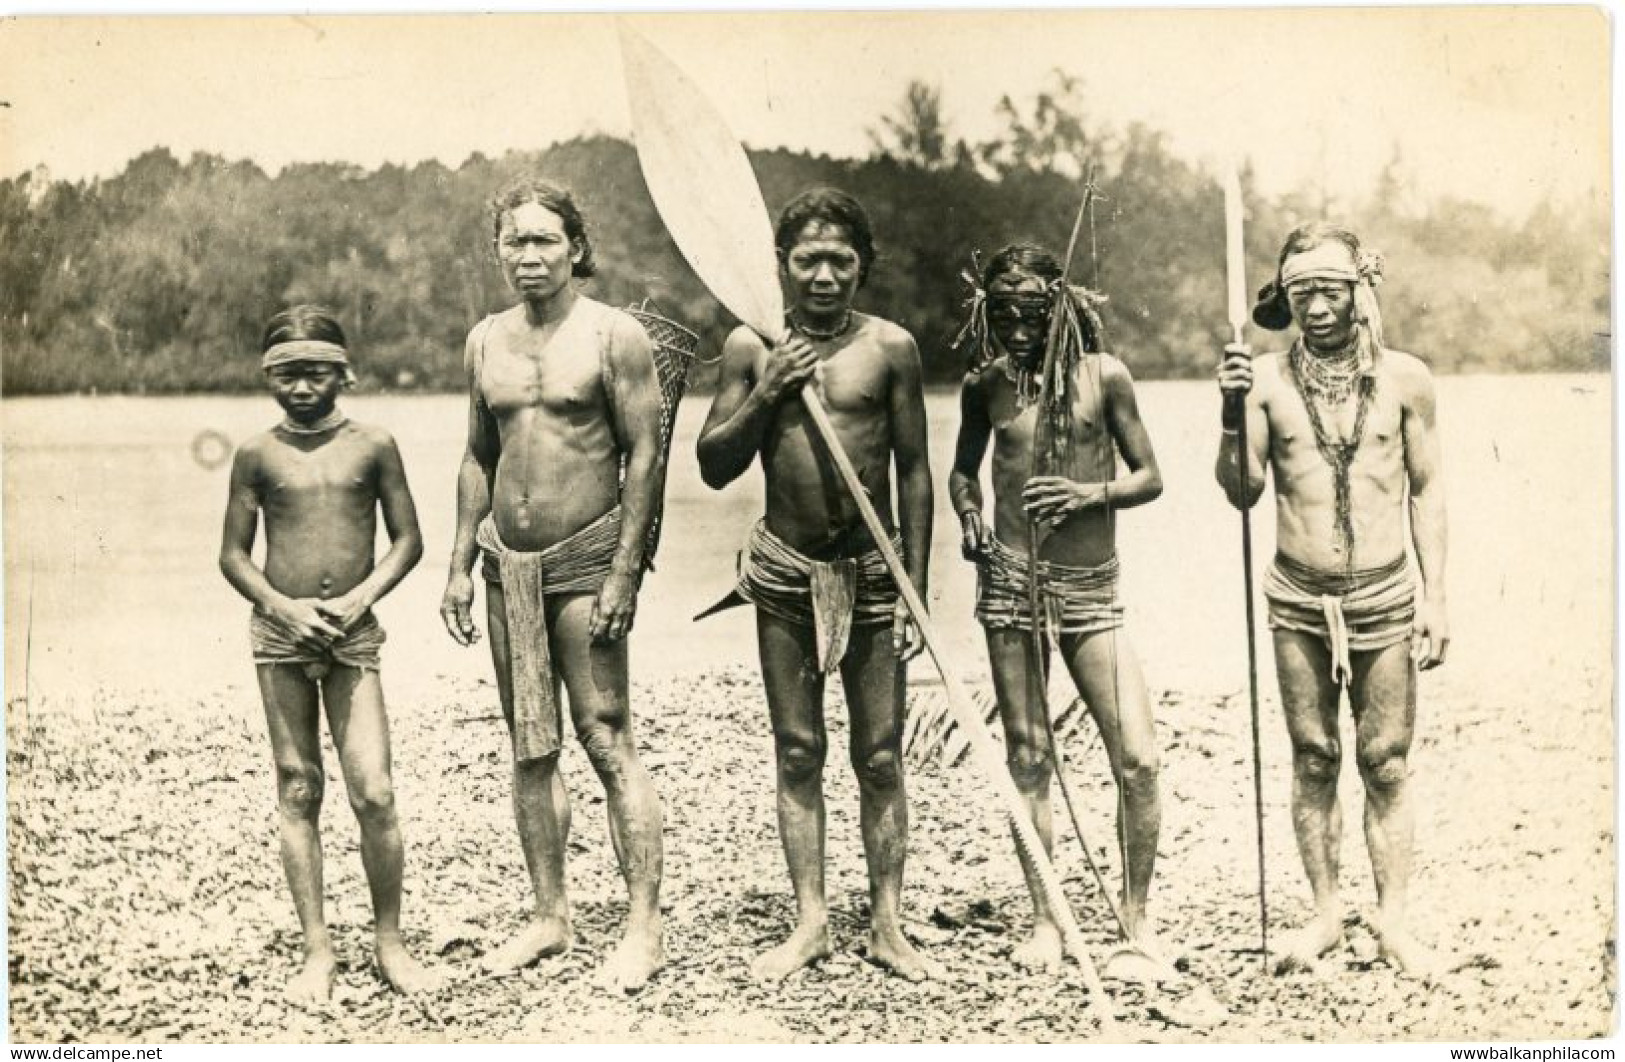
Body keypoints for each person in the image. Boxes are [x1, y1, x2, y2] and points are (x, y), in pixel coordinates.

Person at [695, 187, 938, 982]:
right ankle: (809, 922)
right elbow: (712, 461)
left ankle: (888, 924)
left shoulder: (891, 348)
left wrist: (916, 590)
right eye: (808, 260)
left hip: (873, 572)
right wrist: (769, 389)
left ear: (862, 267)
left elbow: (915, 475)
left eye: (841, 260)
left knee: (878, 756)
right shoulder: (749, 347)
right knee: (798, 750)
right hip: (786, 573)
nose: (825, 275)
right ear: (781, 267)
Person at [440, 177, 668, 993]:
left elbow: (643, 454)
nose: (529, 255)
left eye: (544, 239)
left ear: (575, 246)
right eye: (514, 240)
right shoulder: (484, 342)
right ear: (497, 249)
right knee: (531, 741)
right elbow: (478, 454)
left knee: (606, 737)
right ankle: (550, 915)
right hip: (510, 562)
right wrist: (460, 564)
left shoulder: (614, 336)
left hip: (587, 556)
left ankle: (642, 927)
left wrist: (624, 572)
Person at [1215, 223, 1448, 978]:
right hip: (1295, 595)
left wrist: (1435, 597)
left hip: (1384, 594)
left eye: (1328, 288)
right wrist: (1229, 411)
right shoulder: (1263, 381)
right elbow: (1241, 492)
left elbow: (1427, 488)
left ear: (1358, 290)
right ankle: (1323, 915)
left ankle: (1393, 922)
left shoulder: (1406, 378)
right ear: (1281, 298)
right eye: (1298, 292)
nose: (1314, 306)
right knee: (1313, 757)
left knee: (1384, 761)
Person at [947, 244, 1167, 974]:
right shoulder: (985, 386)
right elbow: (960, 472)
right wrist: (971, 517)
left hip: (1091, 589)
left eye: (1031, 308)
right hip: (1010, 585)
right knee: (1028, 757)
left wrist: (1086, 494)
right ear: (986, 307)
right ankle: (1047, 920)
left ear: (1060, 302)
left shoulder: (1103, 377)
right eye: (1002, 308)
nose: (1017, 322)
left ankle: (1135, 923)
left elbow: (1149, 477)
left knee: (1136, 758)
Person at [219, 306, 441, 1002]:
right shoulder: (256, 453)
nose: (302, 387)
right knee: (297, 786)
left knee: (373, 790)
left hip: (353, 633)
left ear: (344, 372)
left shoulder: (374, 444)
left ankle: (389, 943)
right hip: (280, 635)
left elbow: (408, 540)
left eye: (316, 372)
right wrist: (282, 607)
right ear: (268, 379)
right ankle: (317, 951)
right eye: (286, 374)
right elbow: (232, 555)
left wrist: (355, 601)